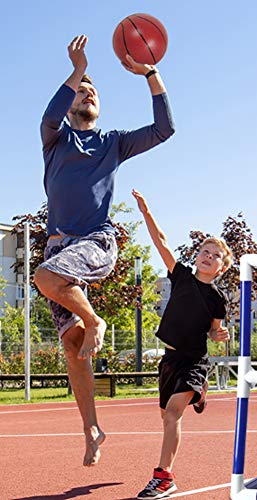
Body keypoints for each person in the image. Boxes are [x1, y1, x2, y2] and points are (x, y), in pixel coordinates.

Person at [33, 35, 175, 467]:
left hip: (95, 242)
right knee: (74, 346)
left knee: (46, 279)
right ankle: (92, 428)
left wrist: (150, 74)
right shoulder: (54, 139)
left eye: (93, 90)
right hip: (60, 248)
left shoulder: (112, 142)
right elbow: (49, 114)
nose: (88, 92)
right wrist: (77, 70)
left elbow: (163, 129)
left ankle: (95, 318)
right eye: (82, 89)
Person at [131, 189, 232, 499]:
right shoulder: (181, 276)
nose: (208, 256)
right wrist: (146, 212)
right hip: (169, 359)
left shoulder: (218, 300)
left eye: (216, 255)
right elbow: (161, 242)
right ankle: (198, 396)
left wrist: (219, 335)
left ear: (222, 268)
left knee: (173, 414)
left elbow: (214, 332)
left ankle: (163, 478)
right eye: (205, 250)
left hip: (194, 361)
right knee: (166, 417)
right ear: (197, 255)